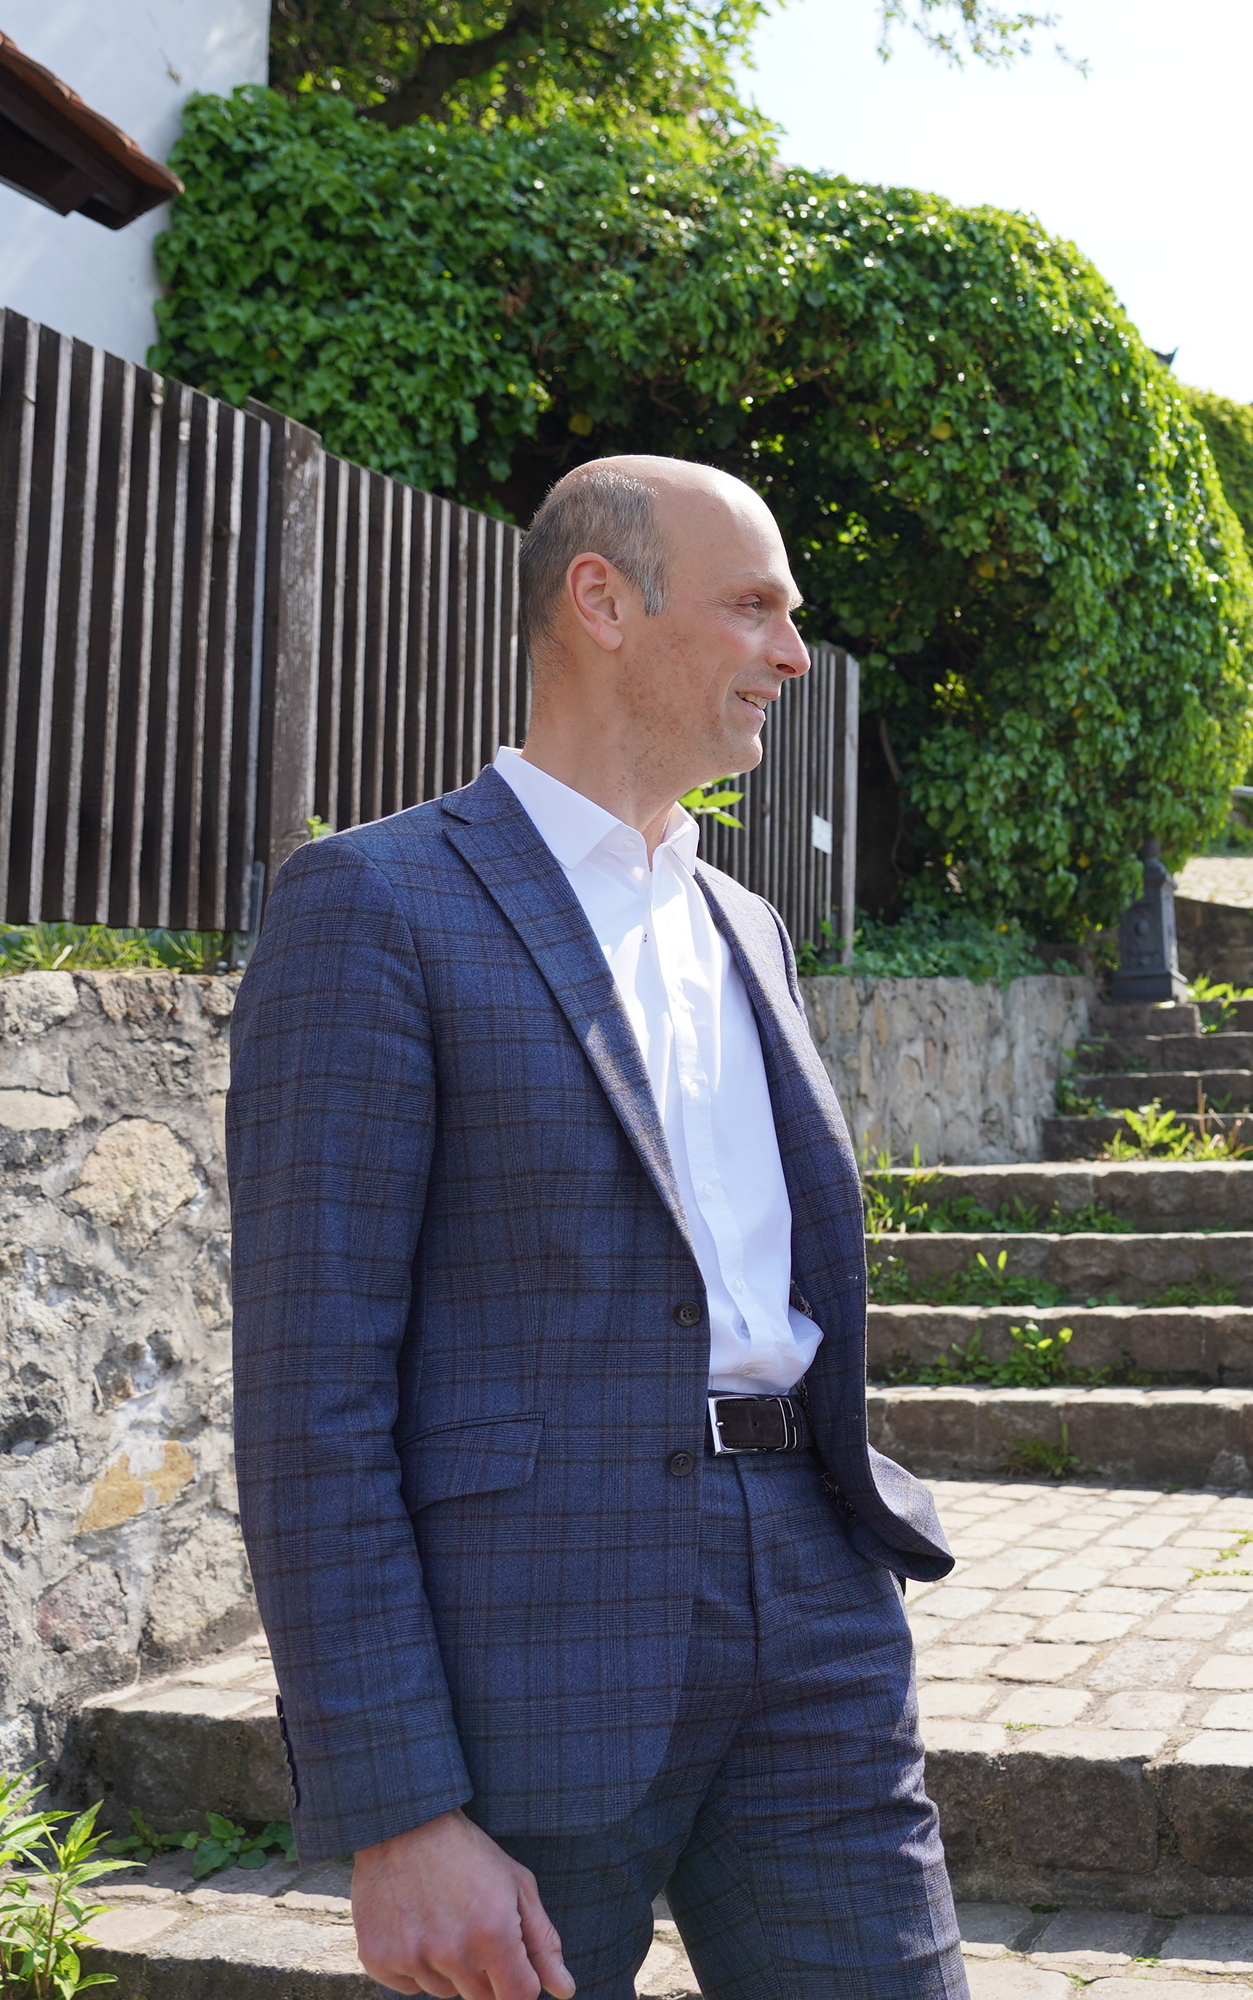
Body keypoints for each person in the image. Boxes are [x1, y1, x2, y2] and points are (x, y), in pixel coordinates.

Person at [228, 457, 964, 2000]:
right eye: (756, 605)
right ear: (603, 599)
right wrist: (398, 1806)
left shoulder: (744, 924)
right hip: (533, 1648)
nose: (792, 652)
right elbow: (312, 1392)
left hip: (816, 1603)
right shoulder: (377, 903)